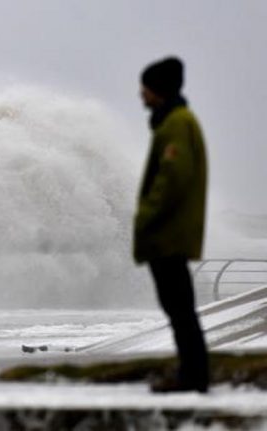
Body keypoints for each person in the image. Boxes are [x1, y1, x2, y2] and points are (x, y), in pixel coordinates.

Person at [134, 57, 209, 393]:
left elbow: (173, 178)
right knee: (179, 308)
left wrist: (146, 216)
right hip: (170, 232)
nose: (141, 94)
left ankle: (193, 377)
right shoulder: (174, 120)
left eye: (145, 87)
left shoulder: (177, 123)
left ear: (158, 89)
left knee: (180, 309)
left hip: (168, 234)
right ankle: (191, 374)